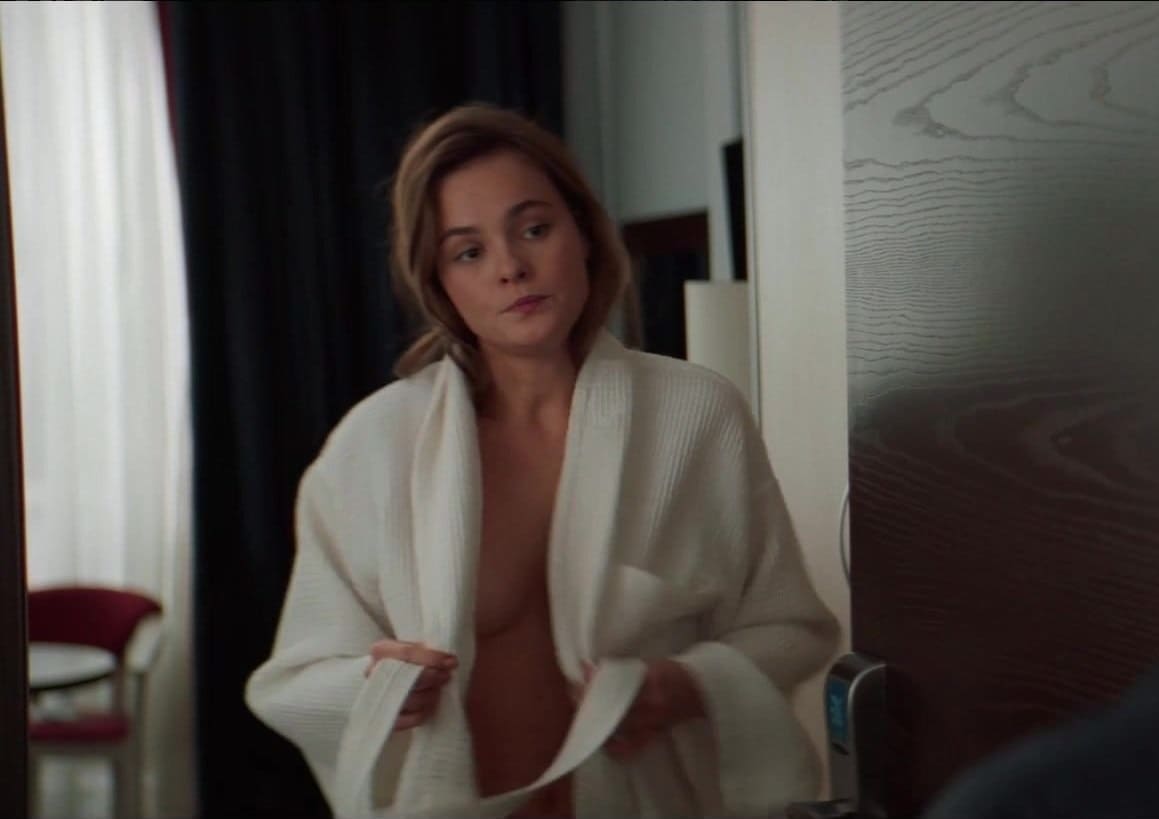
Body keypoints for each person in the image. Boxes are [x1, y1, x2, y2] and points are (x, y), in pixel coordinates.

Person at [245, 103, 839, 819]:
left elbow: (792, 630)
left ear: (583, 232)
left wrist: (684, 686)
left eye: (533, 229)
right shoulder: (372, 447)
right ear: (438, 281)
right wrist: (376, 688)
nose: (511, 268)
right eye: (469, 252)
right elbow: (293, 679)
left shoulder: (695, 416)